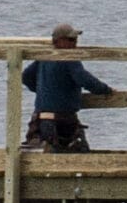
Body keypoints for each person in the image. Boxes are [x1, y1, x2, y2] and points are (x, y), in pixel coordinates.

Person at [20, 21, 116, 150]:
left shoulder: (44, 57)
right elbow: (85, 80)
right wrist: (106, 90)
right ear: (58, 41)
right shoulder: (69, 58)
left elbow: (26, 77)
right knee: (79, 155)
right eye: (71, 39)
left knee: (48, 157)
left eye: (75, 39)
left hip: (40, 121)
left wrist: (43, 91)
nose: (75, 43)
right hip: (63, 122)